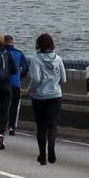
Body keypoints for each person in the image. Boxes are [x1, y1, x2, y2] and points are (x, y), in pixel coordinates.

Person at [28, 32, 67, 166]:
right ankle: (51, 147)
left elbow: (36, 78)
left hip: (39, 97)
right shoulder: (59, 59)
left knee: (41, 126)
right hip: (55, 96)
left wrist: (30, 89)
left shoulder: (35, 59)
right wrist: (54, 85)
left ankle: (42, 156)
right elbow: (64, 79)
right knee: (52, 124)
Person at [5, 34, 29, 135]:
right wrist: (20, 76)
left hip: (3, 83)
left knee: (3, 105)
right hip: (15, 83)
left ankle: (1, 125)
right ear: (12, 42)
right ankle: (12, 126)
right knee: (15, 106)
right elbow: (26, 67)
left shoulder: (1, 53)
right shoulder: (19, 53)